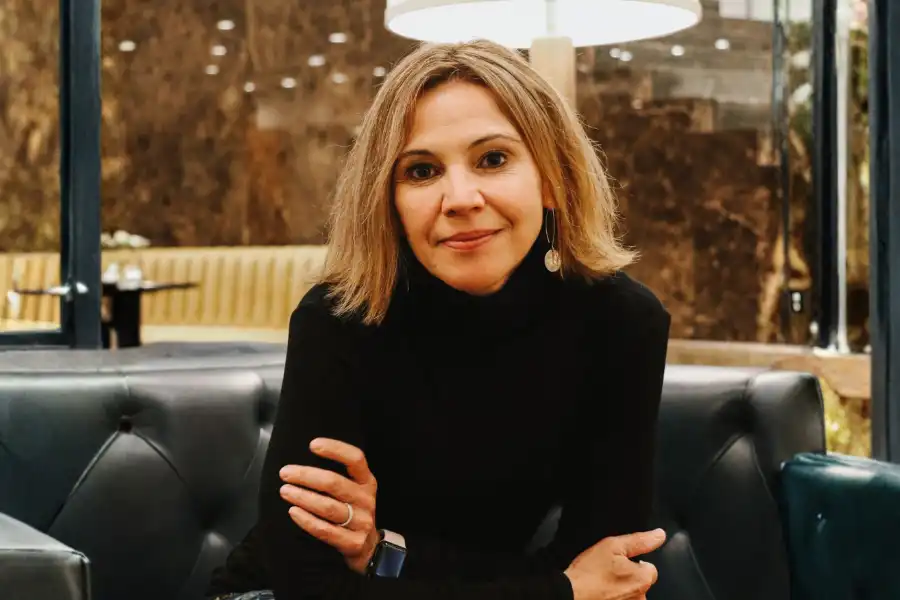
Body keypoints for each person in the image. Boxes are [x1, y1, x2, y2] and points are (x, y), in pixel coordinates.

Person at [207, 38, 671, 600]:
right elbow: (306, 584)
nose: (460, 197)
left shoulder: (622, 322)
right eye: (422, 171)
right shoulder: (341, 317)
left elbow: (612, 571)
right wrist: (558, 590)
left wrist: (385, 553)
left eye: (493, 159)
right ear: (390, 200)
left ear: (552, 177)